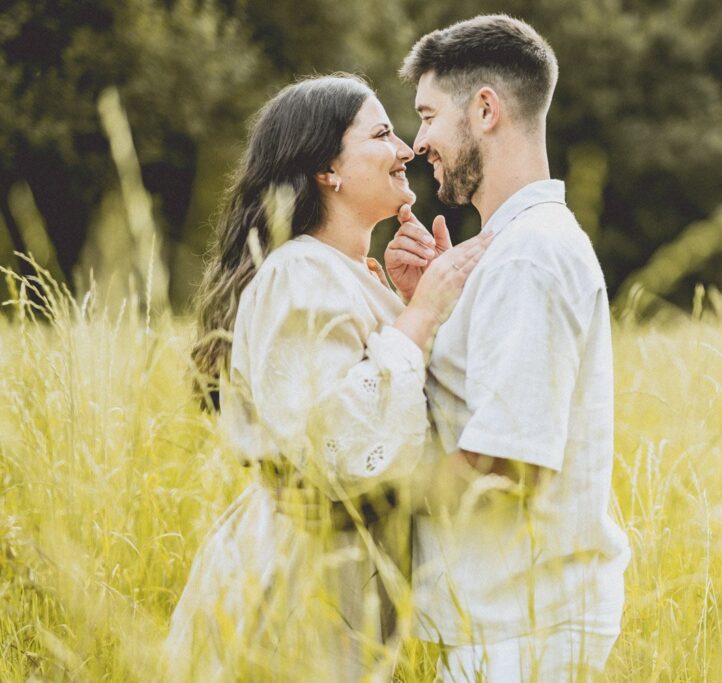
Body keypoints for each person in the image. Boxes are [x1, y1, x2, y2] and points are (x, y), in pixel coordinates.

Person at [164, 74, 491, 681]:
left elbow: (404, 409)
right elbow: (331, 440)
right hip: (295, 583)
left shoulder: (334, 271)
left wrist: (414, 302)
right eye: (383, 133)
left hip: (338, 583)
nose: (406, 150)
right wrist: (419, 314)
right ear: (326, 170)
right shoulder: (297, 272)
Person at [384, 15, 631, 681]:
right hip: (504, 627)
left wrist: (371, 492)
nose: (418, 142)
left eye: (428, 115)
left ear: (484, 109)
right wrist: (429, 308)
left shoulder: (531, 255)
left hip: (521, 637)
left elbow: (508, 463)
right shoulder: (510, 251)